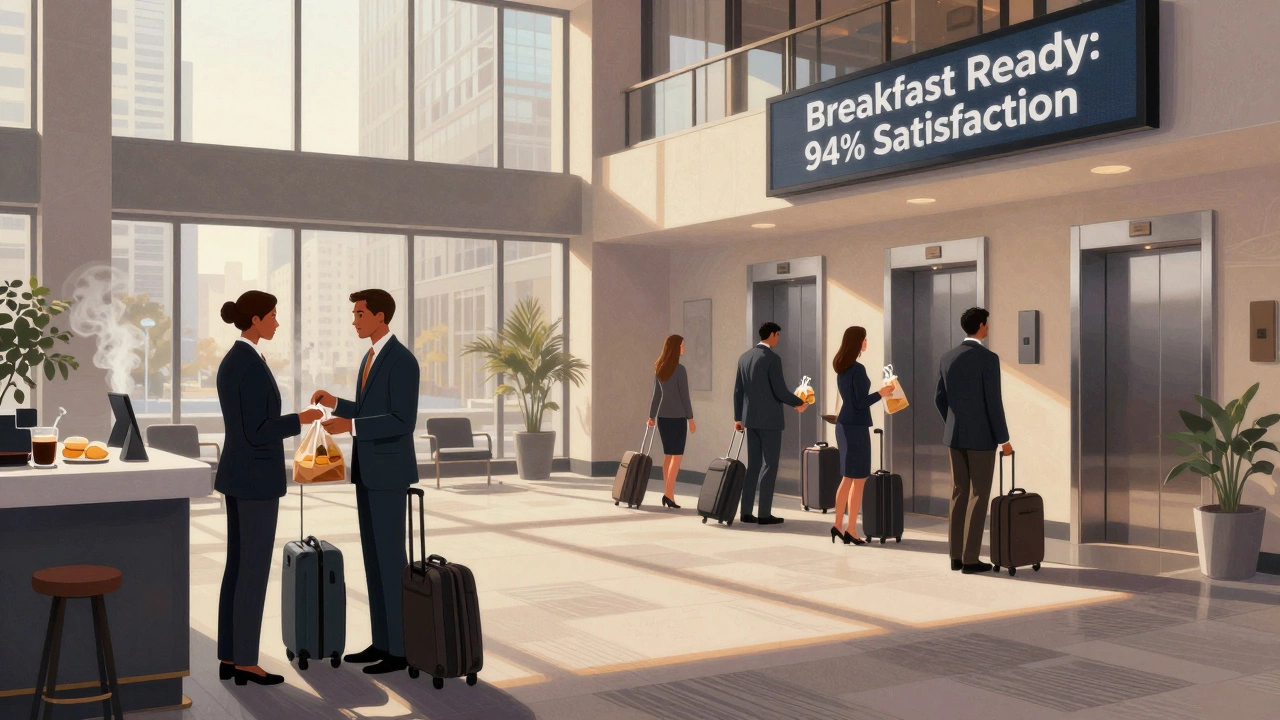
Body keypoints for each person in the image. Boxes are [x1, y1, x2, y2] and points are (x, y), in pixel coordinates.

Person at [215, 291, 324, 686]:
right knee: (253, 570)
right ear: (256, 320)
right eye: (273, 316)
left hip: (239, 475)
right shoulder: (245, 364)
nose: (277, 322)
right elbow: (257, 431)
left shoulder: (239, 359)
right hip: (255, 480)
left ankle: (230, 655)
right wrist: (301, 418)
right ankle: (245, 660)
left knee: (237, 567)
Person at [312, 289, 421, 674]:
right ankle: (383, 640)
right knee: (374, 561)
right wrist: (338, 404)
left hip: (390, 474)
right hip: (369, 472)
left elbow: (401, 420)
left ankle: (402, 648)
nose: (354, 320)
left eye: (360, 314)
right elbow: (369, 410)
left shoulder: (402, 361)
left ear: (380, 316)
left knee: (391, 560)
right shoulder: (370, 356)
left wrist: (352, 426)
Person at [935, 307, 1013, 575]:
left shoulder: (948, 357)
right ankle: (971, 559)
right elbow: (994, 403)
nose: (988, 327)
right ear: (981, 326)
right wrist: (1004, 440)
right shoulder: (988, 359)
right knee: (979, 495)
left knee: (959, 492)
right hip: (981, 439)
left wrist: (952, 423)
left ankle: (955, 556)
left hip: (954, 437)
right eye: (987, 323)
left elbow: (939, 399)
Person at [733, 321, 808, 525]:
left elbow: (738, 391)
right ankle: (764, 513)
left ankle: (746, 512)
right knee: (770, 465)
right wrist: (800, 402)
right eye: (778, 335)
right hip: (770, 422)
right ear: (773, 335)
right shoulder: (772, 359)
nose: (778, 339)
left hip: (751, 420)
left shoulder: (744, 357)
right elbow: (780, 391)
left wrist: (738, 418)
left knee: (754, 466)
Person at [831, 326, 895, 546]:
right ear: (857, 342)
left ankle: (842, 526)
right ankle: (846, 528)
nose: (866, 342)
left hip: (845, 425)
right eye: (864, 339)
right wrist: (881, 393)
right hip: (855, 427)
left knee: (850, 478)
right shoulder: (857, 369)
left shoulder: (841, 366)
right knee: (856, 479)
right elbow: (859, 403)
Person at [647, 335, 696, 509]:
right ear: (676, 348)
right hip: (678, 418)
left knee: (668, 455)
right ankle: (669, 495)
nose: (684, 349)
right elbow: (685, 397)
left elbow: (656, 396)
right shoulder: (680, 370)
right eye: (682, 346)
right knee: (677, 456)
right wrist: (691, 419)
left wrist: (651, 416)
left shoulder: (659, 368)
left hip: (663, 418)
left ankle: (668, 494)